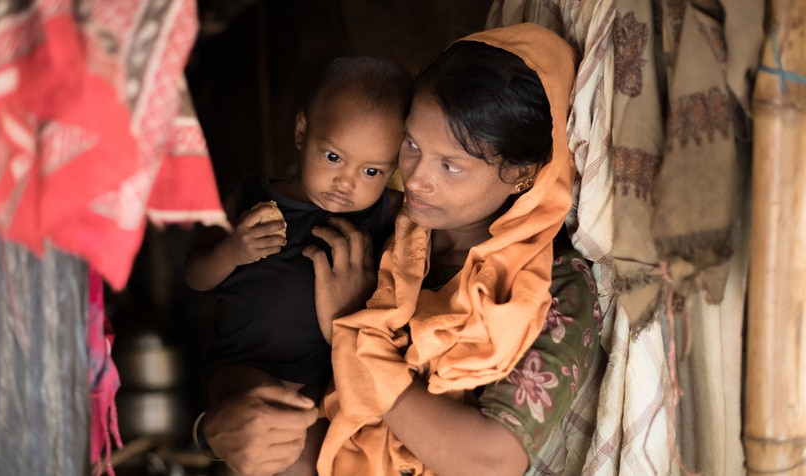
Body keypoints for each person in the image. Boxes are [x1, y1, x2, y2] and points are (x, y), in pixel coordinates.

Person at [197, 23, 602, 476]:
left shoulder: (551, 285)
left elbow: (490, 461)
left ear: (524, 173)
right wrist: (214, 427)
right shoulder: (383, 235)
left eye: (450, 165)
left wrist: (352, 333)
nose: (415, 178)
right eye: (411, 144)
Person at [184, 54, 411, 475]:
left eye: (372, 170)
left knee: (310, 459)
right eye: (333, 158)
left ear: (395, 170)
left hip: (326, 380)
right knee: (274, 435)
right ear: (302, 132)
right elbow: (195, 276)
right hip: (245, 367)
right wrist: (230, 252)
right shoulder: (251, 198)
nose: (348, 182)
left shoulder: (390, 217)